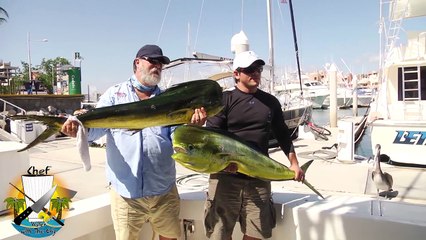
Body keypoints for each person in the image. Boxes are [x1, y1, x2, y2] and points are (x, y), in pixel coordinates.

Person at [61, 44, 207, 240]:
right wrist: (77, 130)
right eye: (152, 61)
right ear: (137, 63)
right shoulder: (114, 95)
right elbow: (94, 131)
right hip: (126, 193)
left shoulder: (169, 99)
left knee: (170, 237)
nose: (157, 66)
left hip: (163, 190)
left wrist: (194, 126)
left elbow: (177, 136)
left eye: (161, 63)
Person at [204, 50, 305, 240]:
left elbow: (283, 135)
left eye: (258, 68)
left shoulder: (270, 102)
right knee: (219, 234)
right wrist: (224, 164)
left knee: (256, 234)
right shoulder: (224, 101)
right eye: (249, 69)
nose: (255, 73)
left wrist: (294, 163)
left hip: (259, 176)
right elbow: (212, 137)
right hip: (226, 177)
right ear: (236, 74)